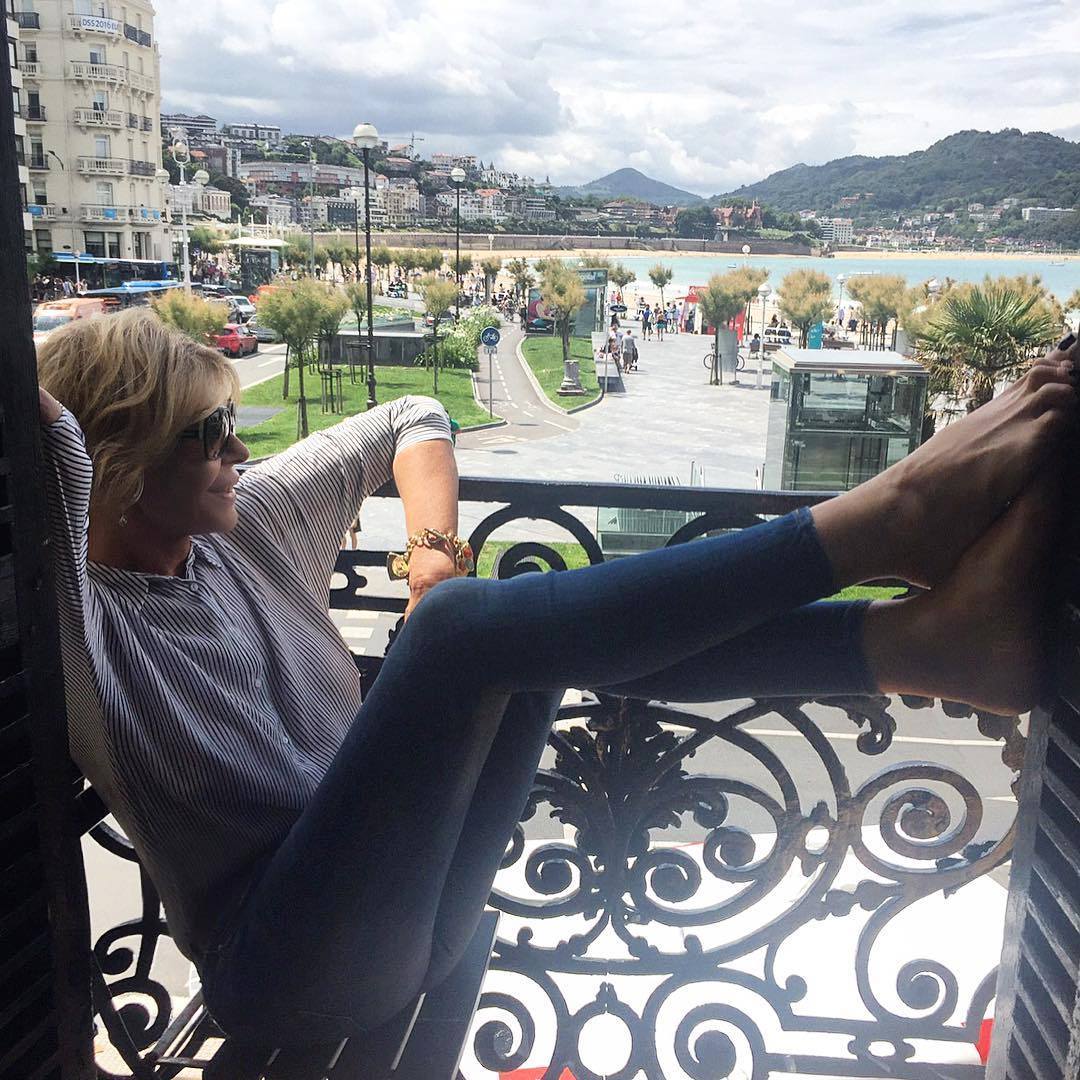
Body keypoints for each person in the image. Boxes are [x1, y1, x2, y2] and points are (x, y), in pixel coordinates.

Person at [36, 308, 1079, 1050]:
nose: (235, 446)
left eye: (230, 421)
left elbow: (411, 416)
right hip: (288, 973)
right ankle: (886, 528)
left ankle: (912, 643)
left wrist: (432, 557)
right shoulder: (77, 624)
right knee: (465, 634)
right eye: (204, 432)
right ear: (118, 460)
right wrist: (447, 609)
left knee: (521, 626)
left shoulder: (242, 530)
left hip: (414, 906)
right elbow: (47, 441)